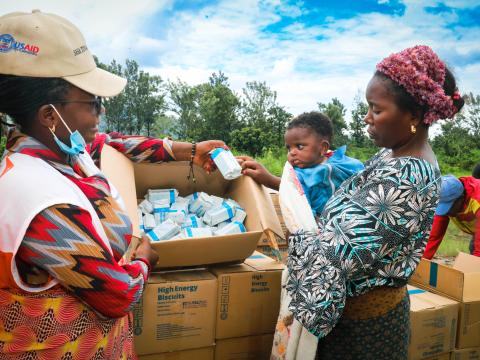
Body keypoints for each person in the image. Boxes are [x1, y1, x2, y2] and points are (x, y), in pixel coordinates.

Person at [0, 10, 225, 359]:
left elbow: (114, 142)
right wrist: (145, 260)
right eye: (92, 103)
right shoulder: (40, 200)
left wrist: (188, 150)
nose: (99, 113)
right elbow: (118, 294)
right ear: (49, 115)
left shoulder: (63, 151)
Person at [283, 45, 464, 360]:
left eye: (376, 110)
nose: (367, 118)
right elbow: (353, 206)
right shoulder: (393, 154)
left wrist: (295, 231)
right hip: (353, 319)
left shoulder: (408, 178)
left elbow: (339, 257)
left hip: (365, 332)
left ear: (415, 115)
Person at [239, 111, 364, 216]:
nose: (291, 153)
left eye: (299, 146)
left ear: (323, 148)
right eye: (289, 148)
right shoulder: (299, 174)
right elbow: (296, 194)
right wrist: (267, 179)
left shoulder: (346, 164)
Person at [423, 175, 480, 259]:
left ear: (461, 198)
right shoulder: (446, 197)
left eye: (449, 207)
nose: (447, 212)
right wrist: (421, 263)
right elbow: (434, 236)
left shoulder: (477, 200)